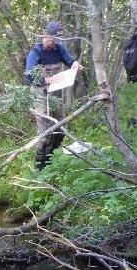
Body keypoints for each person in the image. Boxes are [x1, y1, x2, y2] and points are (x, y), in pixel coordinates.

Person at [24, 21, 82, 170]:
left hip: (55, 94)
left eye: (57, 40)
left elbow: (69, 60)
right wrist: (49, 80)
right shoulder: (35, 53)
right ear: (45, 36)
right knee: (45, 131)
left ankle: (51, 159)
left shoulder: (59, 48)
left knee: (60, 126)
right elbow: (29, 77)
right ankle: (40, 168)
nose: (55, 43)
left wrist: (75, 64)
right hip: (40, 96)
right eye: (52, 39)